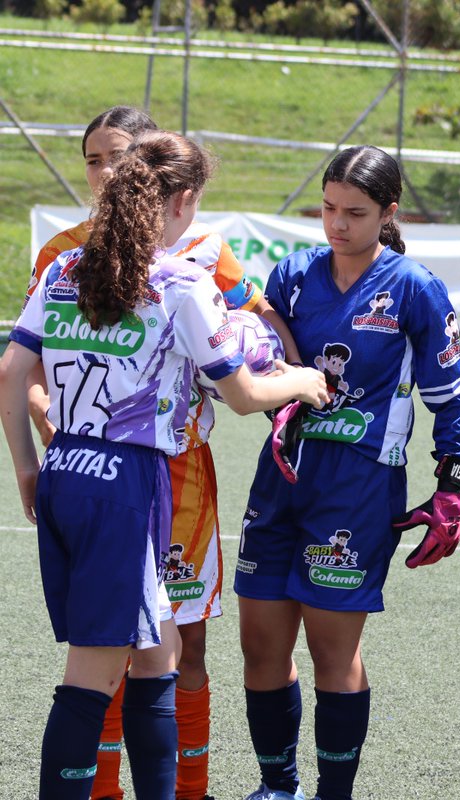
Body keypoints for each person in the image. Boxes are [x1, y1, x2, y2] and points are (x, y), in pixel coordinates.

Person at [0, 130, 328, 800]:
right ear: (178, 202)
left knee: (158, 657)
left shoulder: (68, 269)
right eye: (195, 204)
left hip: (69, 470)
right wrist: (299, 381)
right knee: (90, 673)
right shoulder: (181, 283)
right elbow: (241, 395)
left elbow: (11, 373)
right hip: (123, 485)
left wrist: (29, 470)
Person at [234, 144, 460, 800]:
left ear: (388, 212)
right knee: (260, 646)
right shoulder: (291, 274)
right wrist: (276, 406)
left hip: (359, 488)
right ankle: (275, 785)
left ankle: (331, 795)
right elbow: (263, 359)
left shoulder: (413, 288)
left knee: (330, 656)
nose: (337, 224)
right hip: (280, 477)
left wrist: (449, 486)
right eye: (328, 208)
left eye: (355, 213)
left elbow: (451, 396)